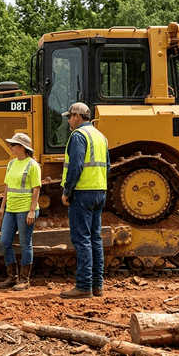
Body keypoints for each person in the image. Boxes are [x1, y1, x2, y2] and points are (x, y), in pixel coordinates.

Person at [58, 103, 110, 299]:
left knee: (82, 240)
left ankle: (83, 286)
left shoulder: (79, 136)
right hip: (99, 191)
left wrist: (67, 191)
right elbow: (108, 165)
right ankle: (98, 286)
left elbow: (76, 166)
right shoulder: (100, 136)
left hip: (82, 192)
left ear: (77, 116)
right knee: (95, 239)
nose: (68, 121)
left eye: (69, 117)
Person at [0, 133, 41, 291]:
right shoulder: (11, 164)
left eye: (13, 145)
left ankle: (24, 279)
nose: (10, 147)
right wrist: (3, 207)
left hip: (25, 210)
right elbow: (7, 187)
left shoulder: (33, 165)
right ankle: (12, 276)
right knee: (5, 242)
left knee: (25, 243)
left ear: (22, 147)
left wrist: (31, 211)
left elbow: (36, 189)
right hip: (11, 209)